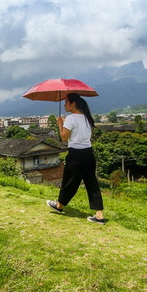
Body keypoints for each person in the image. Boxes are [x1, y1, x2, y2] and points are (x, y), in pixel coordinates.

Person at [46, 93, 105, 225]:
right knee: (92, 184)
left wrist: (60, 124)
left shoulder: (71, 119)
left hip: (75, 155)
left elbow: (64, 137)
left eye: (66, 102)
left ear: (73, 104)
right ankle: (99, 215)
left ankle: (60, 206)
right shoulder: (87, 118)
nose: (64, 104)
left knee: (69, 181)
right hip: (89, 154)